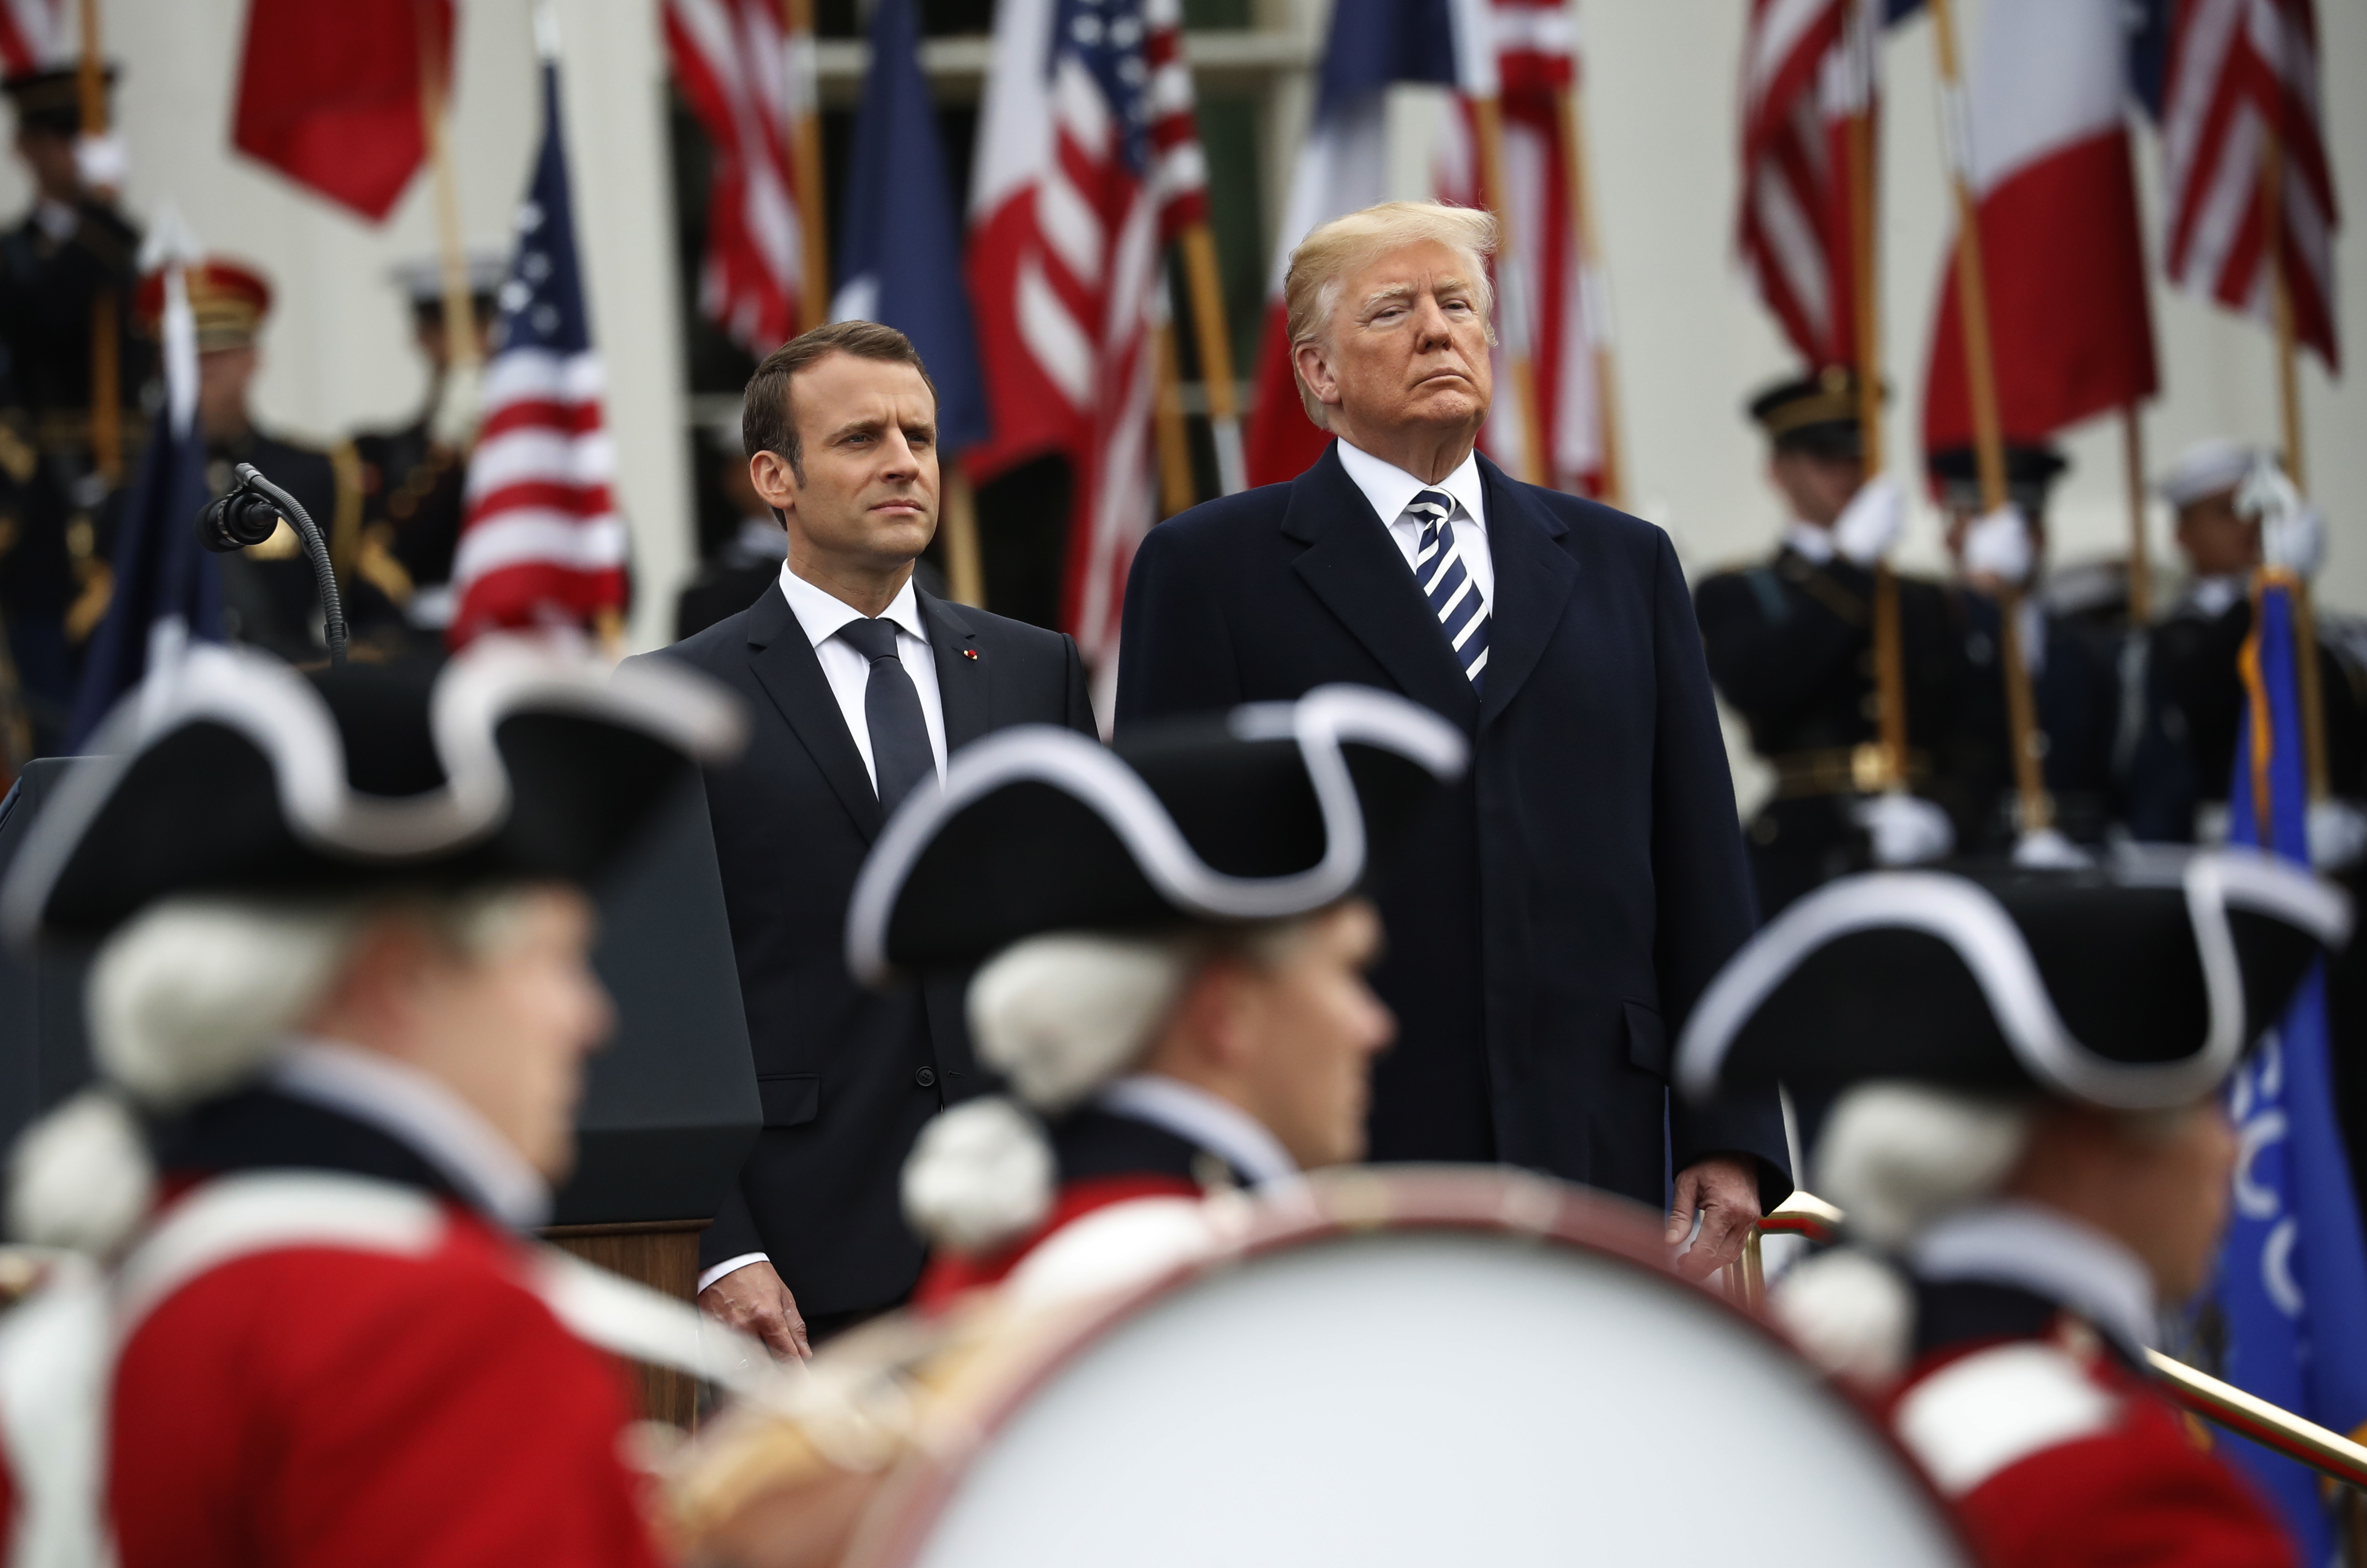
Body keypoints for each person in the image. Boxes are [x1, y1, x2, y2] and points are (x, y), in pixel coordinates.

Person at [1115, 200, 1789, 1273]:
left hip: (1594, 1130)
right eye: (1395, 310)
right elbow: (1167, 886)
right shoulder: (1209, 570)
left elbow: (1700, 854)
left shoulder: (1626, 563)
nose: (1439, 330)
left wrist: (1734, 1123)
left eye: (1460, 305)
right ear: (1319, 374)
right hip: (1339, 1142)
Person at [0, 636, 749, 1565]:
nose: (589, 1017)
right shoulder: (438, 1331)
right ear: (400, 978)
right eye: (553, 959)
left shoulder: (129, 1286)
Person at [1674, 852, 2348, 1568]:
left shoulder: (1803, 1422)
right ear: (2086, 1137)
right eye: (2207, 1105)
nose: (2232, 1150)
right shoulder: (2127, 1497)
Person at [633, 320, 1096, 1358]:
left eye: (920, 437)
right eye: (860, 439)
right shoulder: (677, 697)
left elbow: (1094, 945)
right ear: (774, 477)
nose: (903, 461)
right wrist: (724, 1246)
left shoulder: (1036, 671)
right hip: (804, 1263)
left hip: (1026, 1235)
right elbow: (655, 1002)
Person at [835, 683, 1462, 1305]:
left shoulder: (1080, 1231)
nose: (1374, 1026)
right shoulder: (1183, 1273)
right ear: (1229, 1011)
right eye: (1347, 973)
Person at [1694, 369, 1961, 914]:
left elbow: (1974, 729)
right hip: (1804, 849)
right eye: (1825, 457)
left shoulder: (1923, 598)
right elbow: (1762, 685)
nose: (1847, 473)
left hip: (1928, 853)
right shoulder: (1736, 590)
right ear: (1779, 472)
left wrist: (1948, 814)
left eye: (1858, 457)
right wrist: (1848, 567)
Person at [0, 64, 148, 752]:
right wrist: (98, 222)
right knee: (57, 698)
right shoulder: (16, 256)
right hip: (44, 506)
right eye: (62, 135)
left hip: (133, 482)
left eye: (87, 134)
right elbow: (43, 316)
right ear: (25, 147)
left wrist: (106, 225)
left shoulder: (129, 243)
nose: (77, 152)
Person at [135, 258, 382, 663]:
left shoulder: (317, 476)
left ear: (252, 358)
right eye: (187, 362)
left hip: (291, 692)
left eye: (217, 359)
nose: (201, 377)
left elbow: (377, 617)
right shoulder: (131, 490)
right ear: (161, 369)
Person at [1927, 443, 2122, 856]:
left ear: (2042, 534)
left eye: (2023, 519)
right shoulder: (1927, 633)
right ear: (1950, 534)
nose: (2010, 536)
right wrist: (1980, 594)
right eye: (1982, 518)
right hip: (1969, 852)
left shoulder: (2089, 645)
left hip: (2075, 854)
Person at [345, 254, 502, 645]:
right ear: (421, 337)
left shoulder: (547, 450)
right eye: (449, 326)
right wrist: (443, 452)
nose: (469, 341)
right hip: (423, 649)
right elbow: (369, 560)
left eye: (480, 323)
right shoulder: (375, 452)